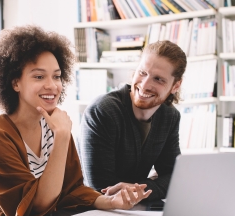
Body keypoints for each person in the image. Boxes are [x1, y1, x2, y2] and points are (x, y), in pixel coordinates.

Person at [0, 25, 151, 216]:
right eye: (39, 76)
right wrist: (62, 137)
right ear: (15, 83)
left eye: (56, 76)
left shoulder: (54, 127)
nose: (52, 86)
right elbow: (34, 208)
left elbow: (71, 190)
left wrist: (110, 201)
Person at [78, 40, 186, 201]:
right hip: (92, 213)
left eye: (158, 79)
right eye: (142, 73)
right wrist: (152, 186)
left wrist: (137, 190)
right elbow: (101, 189)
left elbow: (174, 177)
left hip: (137, 210)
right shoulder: (103, 111)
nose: (144, 85)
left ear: (176, 86)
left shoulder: (169, 117)